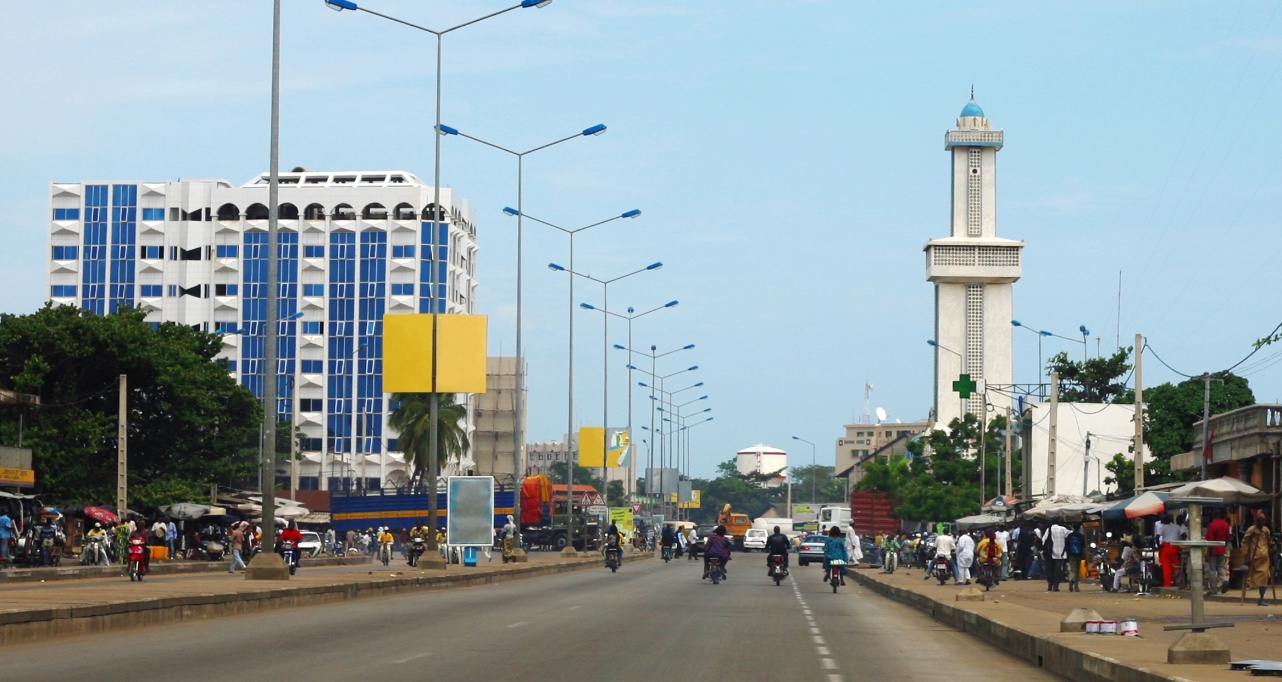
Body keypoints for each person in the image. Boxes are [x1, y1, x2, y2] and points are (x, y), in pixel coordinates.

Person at [1242, 510, 1276, 606]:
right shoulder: (1251, 530)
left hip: (1264, 559)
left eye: (1264, 520)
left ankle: (1261, 598)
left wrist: (1273, 545)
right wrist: (1246, 555)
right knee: (1251, 577)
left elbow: (1269, 542)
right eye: (1261, 520)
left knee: (1264, 578)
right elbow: (1244, 542)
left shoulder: (1266, 530)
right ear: (1257, 521)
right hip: (1254, 558)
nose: (1263, 522)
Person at [1205, 509, 1231, 595]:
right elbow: (1227, 538)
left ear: (1213, 515)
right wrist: (1224, 546)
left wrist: (1208, 553)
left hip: (1213, 549)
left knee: (1212, 569)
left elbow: (1210, 541)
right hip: (1222, 548)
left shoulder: (1212, 525)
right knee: (1220, 567)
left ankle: (1213, 589)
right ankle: (1224, 581)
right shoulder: (1226, 524)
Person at [1155, 513, 1184, 587]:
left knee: (1166, 567)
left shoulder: (1162, 527)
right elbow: (1184, 535)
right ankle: (1177, 582)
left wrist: (1159, 546)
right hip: (1175, 548)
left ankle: (1167, 584)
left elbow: (1157, 537)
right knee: (1176, 566)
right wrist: (1181, 542)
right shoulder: (1176, 527)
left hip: (1165, 548)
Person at [1045, 521, 1068, 592]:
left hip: (1051, 553)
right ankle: (1056, 586)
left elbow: (1044, 540)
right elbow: (1069, 535)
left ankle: (1050, 584)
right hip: (1061, 553)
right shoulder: (1063, 529)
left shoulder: (1049, 529)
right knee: (1058, 571)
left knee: (1050, 570)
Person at [1065, 525, 1086, 592]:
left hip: (1071, 555)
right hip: (1079, 555)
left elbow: (1066, 545)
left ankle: (1071, 580)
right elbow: (1083, 546)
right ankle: (1076, 587)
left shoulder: (1070, 536)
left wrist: (1067, 554)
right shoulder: (1081, 536)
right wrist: (1084, 555)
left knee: (1072, 570)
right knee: (1077, 570)